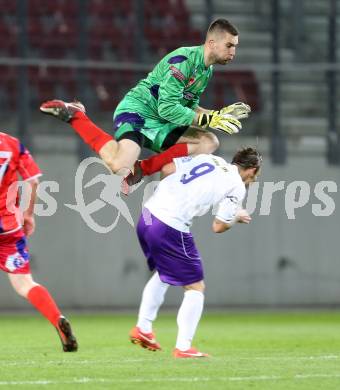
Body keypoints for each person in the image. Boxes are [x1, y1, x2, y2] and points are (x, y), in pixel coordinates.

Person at [39, 18, 251, 190]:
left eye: (235, 46)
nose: (233, 51)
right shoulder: (183, 61)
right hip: (138, 112)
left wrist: (216, 115)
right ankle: (77, 116)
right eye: (229, 45)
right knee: (118, 165)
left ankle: (143, 169)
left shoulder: (206, 70)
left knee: (209, 142)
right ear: (212, 43)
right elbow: (166, 108)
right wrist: (208, 119)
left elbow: (189, 106)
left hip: (161, 122)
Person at [129, 147, 262, 358]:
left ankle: (143, 328)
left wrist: (178, 193)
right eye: (255, 176)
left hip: (148, 215)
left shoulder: (209, 158)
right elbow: (218, 226)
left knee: (165, 274)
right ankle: (183, 347)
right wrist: (237, 215)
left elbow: (168, 167)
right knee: (196, 287)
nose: (252, 180)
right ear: (252, 170)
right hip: (170, 225)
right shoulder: (237, 185)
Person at [0, 132, 78, 352]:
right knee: (24, 283)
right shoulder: (12, 144)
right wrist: (28, 214)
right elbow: (33, 181)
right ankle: (57, 319)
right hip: (8, 227)